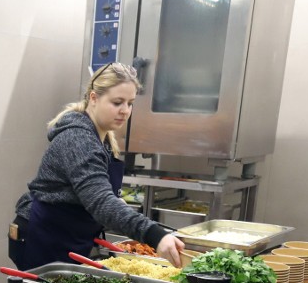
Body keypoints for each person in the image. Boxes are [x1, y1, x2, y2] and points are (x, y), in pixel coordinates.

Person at [12, 62, 185, 270]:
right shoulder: (79, 139)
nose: (125, 111)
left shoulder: (101, 137)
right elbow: (100, 201)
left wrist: (117, 204)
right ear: (93, 98)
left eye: (130, 103)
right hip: (44, 236)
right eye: (117, 102)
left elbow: (97, 193)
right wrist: (155, 235)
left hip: (68, 235)